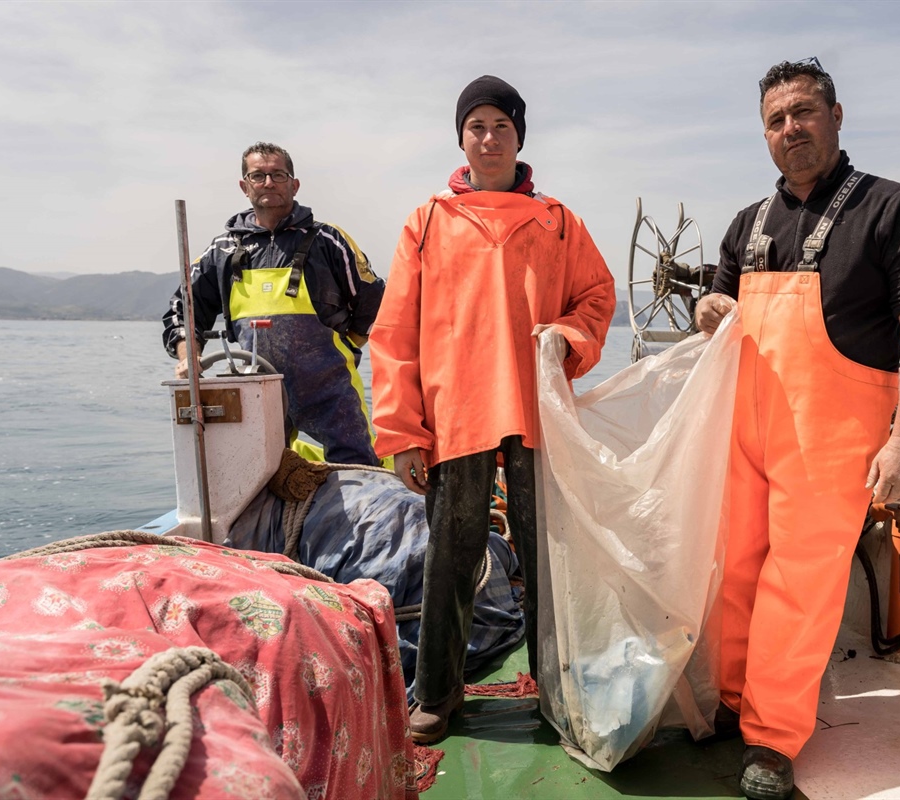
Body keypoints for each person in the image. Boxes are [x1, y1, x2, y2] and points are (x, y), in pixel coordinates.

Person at [695, 59, 900, 800]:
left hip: (832, 435)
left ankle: (773, 740)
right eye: (776, 120)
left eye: (803, 113)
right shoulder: (749, 223)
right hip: (746, 427)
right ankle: (736, 701)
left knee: (799, 584)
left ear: (837, 115)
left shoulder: (892, 208)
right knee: (735, 568)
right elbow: (716, 307)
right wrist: (707, 310)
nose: (790, 130)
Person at [369, 75, 616, 744]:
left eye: (500, 126)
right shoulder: (426, 223)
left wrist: (571, 335)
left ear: (518, 138)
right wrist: (400, 431)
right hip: (455, 415)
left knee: (546, 557)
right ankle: (438, 694)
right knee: (450, 557)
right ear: (461, 140)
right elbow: (393, 334)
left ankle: (556, 692)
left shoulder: (559, 220)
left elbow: (596, 296)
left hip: (537, 411)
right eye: (476, 126)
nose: (488, 137)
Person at [162, 142, 384, 466]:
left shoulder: (329, 241)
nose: (268, 183)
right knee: (254, 478)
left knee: (359, 468)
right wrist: (189, 355)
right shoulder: (221, 250)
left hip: (330, 391)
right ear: (244, 186)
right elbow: (183, 308)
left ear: (294, 184)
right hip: (255, 392)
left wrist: (349, 343)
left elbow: (374, 299)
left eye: (278, 175)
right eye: (258, 175)